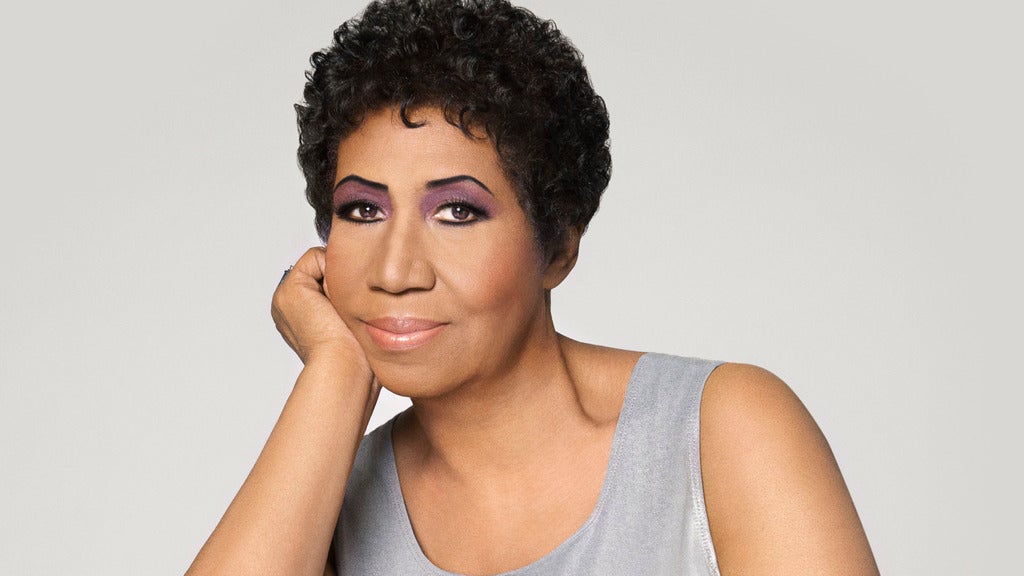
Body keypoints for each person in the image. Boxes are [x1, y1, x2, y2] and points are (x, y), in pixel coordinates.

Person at [186, 1, 879, 574]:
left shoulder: (717, 432)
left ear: (559, 249)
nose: (394, 273)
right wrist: (335, 376)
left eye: (458, 213)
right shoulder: (320, 498)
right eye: (363, 211)